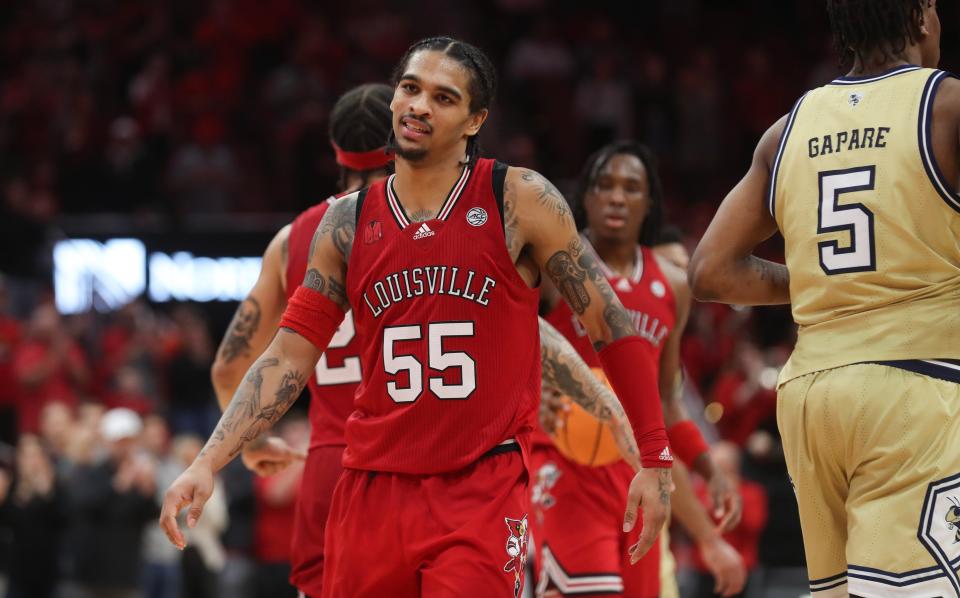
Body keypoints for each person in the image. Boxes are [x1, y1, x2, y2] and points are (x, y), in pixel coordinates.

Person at [163, 36, 673, 598]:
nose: (418, 105)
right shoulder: (346, 224)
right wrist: (209, 462)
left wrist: (654, 453)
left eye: (443, 97)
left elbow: (611, 325)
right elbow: (287, 353)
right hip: (370, 484)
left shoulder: (518, 198)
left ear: (476, 119)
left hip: (479, 485)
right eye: (409, 88)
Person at [688, 1, 960, 595]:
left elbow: (710, 270)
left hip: (812, 399)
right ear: (918, 18)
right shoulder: (947, 105)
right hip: (914, 387)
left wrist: (819, 284)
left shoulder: (788, 127)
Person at [209, 82, 396, 598]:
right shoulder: (427, 227)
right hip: (411, 464)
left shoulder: (291, 239)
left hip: (327, 464)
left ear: (336, 151)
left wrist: (252, 442)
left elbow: (227, 367)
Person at [534, 141, 743, 597]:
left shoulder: (672, 284)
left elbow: (666, 400)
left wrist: (708, 468)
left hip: (637, 473)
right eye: (604, 185)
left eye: (631, 188)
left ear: (648, 204)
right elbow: (508, 339)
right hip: (564, 462)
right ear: (585, 195)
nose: (615, 197)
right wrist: (535, 392)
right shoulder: (553, 267)